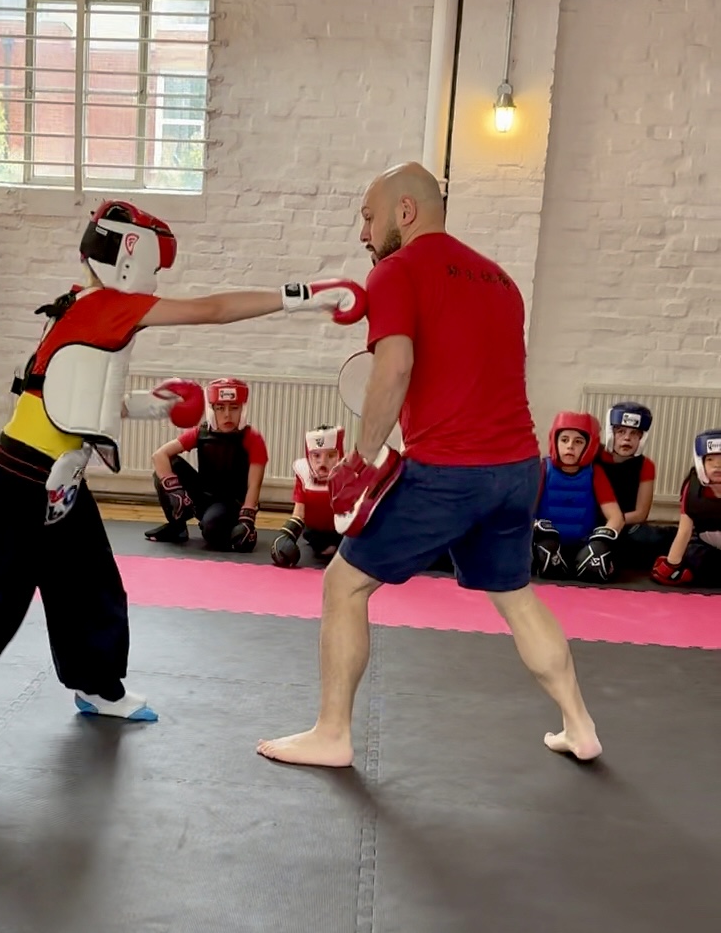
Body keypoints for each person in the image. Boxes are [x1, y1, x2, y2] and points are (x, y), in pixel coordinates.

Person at [0, 199, 367, 763]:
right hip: (23, 477)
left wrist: (154, 406)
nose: (158, 275)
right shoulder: (105, 306)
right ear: (131, 253)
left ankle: (98, 687)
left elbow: (75, 402)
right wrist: (307, 295)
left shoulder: (79, 305)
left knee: (90, 585)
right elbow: (215, 309)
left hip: (60, 479)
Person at [256, 162, 602, 769]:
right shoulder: (500, 280)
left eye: (369, 216)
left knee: (344, 583)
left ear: (405, 211)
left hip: (449, 473)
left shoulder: (394, 271)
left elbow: (394, 369)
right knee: (517, 596)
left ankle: (332, 733)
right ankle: (580, 725)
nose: (363, 233)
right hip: (520, 469)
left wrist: (361, 460)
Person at [145, 378, 269, 551]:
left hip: (231, 503)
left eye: (234, 408)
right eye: (220, 408)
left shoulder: (252, 438)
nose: (227, 414)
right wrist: (175, 492)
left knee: (212, 532)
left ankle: (227, 528)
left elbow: (254, 485)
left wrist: (247, 519)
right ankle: (177, 526)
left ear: (243, 409)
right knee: (167, 466)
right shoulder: (201, 432)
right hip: (204, 496)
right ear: (212, 410)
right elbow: (159, 455)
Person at [532, 411, 625, 584]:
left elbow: (616, 517)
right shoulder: (543, 469)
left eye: (578, 441)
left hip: (583, 543)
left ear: (589, 445)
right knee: (546, 554)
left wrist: (602, 537)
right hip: (550, 542)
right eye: (564, 439)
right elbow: (525, 510)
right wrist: (535, 526)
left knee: (596, 564)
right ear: (555, 441)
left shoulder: (595, 473)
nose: (570, 446)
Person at [594, 402, 671, 570]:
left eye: (634, 433)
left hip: (626, 525)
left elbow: (641, 513)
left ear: (642, 438)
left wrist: (611, 525)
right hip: (591, 523)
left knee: (657, 539)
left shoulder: (646, 465)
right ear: (610, 432)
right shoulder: (593, 457)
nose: (627, 438)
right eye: (621, 431)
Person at [651, 430, 721, 587]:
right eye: (710, 459)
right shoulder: (693, 488)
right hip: (706, 544)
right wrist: (671, 565)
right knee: (692, 556)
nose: (718, 466)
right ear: (700, 463)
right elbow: (684, 530)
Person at [271, 424, 345, 567]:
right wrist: (285, 536)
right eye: (316, 455)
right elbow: (299, 513)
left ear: (340, 454)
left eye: (331, 455)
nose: (322, 463)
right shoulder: (303, 473)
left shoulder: (349, 472)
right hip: (315, 532)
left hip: (343, 530)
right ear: (308, 454)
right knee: (326, 550)